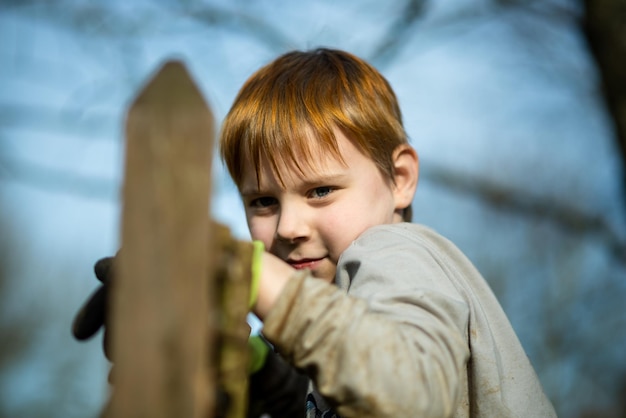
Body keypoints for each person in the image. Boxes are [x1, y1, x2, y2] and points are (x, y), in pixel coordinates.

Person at [74, 48, 557, 417]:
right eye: (263, 201)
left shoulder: (397, 250)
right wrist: (255, 364)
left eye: (321, 190)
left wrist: (248, 269)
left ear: (401, 179)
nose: (288, 227)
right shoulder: (344, 326)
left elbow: (412, 394)